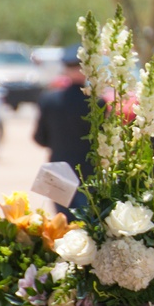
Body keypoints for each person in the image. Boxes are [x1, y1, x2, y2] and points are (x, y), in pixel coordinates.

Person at [33, 44, 93, 221]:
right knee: (87, 228)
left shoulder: (49, 99)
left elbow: (39, 138)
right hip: (88, 172)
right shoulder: (97, 103)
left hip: (57, 168)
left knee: (62, 226)